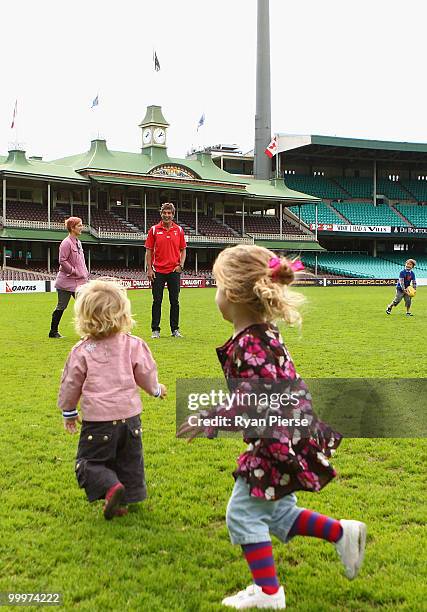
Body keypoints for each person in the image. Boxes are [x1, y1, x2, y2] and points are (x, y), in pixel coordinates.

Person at [178, 245, 366, 610]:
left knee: (242, 514)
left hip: (276, 440)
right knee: (277, 510)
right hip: (287, 434)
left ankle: (268, 592)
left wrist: (210, 418)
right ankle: (343, 533)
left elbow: (254, 400)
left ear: (231, 294)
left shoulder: (251, 343)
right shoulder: (264, 333)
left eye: (217, 286)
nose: (215, 295)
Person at [58, 280, 167, 520]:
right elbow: (146, 373)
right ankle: (126, 497)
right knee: (129, 461)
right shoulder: (133, 345)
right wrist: (156, 390)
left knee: (88, 462)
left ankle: (111, 487)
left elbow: (70, 383)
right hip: (130, 419)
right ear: (124, 314)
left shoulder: (82, 351)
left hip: (98, 421)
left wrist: (68, 410)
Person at [145, 202, 187, 338]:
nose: (166, 215)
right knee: (157, 301)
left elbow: (183, 250)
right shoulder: (154, 230)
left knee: (174, 301)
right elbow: (149, 251)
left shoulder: (179, 230)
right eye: (164, 212)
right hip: (158, 271)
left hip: (174, 271)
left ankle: (175, 329)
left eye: (169, 213)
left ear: (173, 215)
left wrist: (180, 265)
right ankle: (155, 330)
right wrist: (149, 269)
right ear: (161, 213)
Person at [49, 217, 88, 338]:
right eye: (80, 225)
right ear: (72, 228)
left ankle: (86, 332)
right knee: (61, 306)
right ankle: (53, 331)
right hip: (66, 282)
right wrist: (74, 271)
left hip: (80, 281)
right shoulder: (66, 243)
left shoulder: (78, 242)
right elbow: (62, 260)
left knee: (84, 306)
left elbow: (81, 261)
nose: (82, 227)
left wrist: (85, 273)